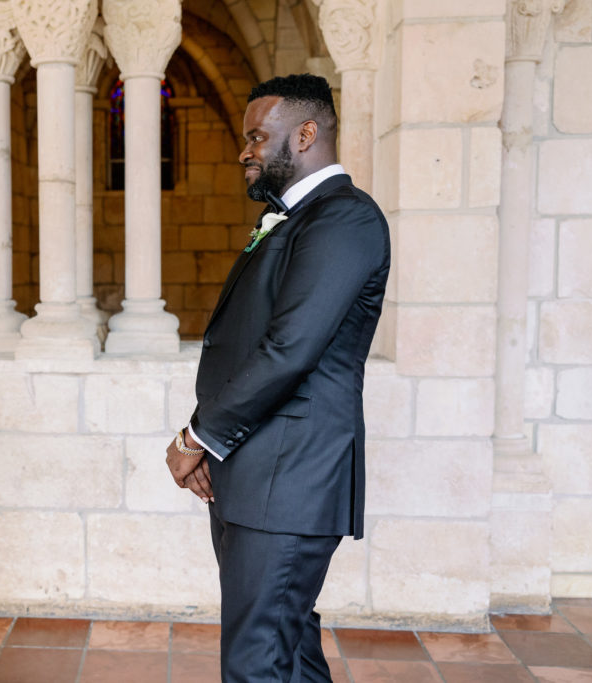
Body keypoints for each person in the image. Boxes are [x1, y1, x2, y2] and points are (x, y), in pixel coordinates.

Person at [165, 74, 390, 682]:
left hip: (291, 478)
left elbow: (288, 350)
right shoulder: (295, 220)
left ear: (307, 134)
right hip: (260, 474)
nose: (245, 151)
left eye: (258, 137)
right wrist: (220, 447)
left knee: (255, 662)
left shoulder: (346, 219)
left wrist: (197, 438)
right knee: (285, 650)